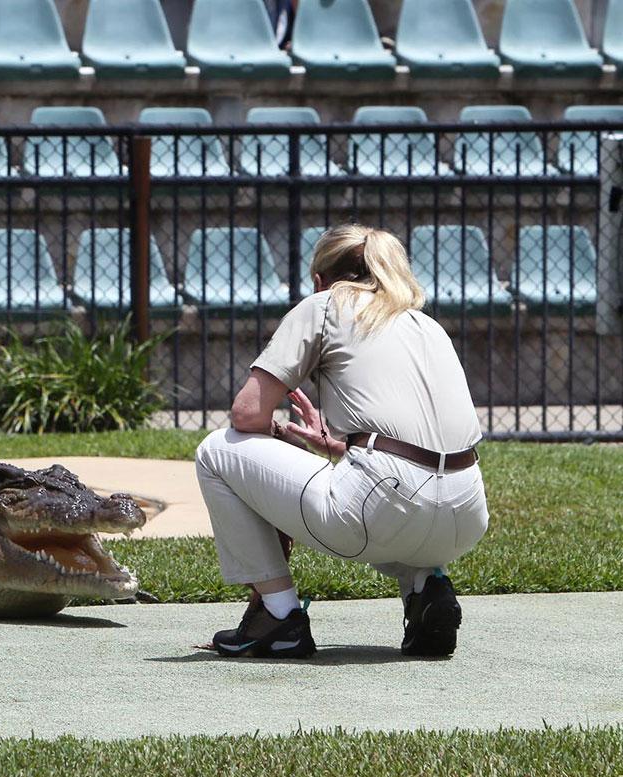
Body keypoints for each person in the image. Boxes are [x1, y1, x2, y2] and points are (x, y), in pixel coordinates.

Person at [194, 224, 489, 659]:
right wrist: (337, 450)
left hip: (382, 505)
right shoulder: (427, 325)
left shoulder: (325, 304)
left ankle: (278, 616)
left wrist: (273, 461)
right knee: (399, 508)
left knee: (217, 450)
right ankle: (429, 588)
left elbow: (247, 414)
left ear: (319, 279)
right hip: (466, 515)